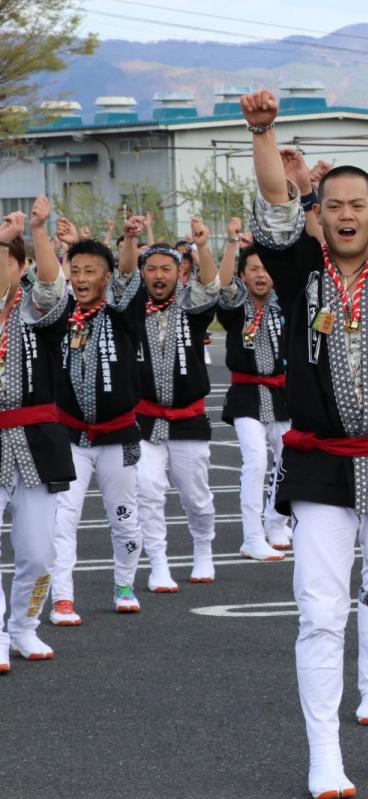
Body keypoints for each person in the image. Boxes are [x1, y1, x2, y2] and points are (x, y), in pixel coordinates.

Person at [244, 88, 368, 792]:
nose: (347, 214)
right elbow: (273, 204)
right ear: (320, 217)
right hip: (320, 468)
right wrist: (264, 134)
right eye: (334, 205)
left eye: (359, 204)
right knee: (321, 613)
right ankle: (322, 749)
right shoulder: (300, 274)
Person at [41, 200, 145, 626]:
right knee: (61, 519)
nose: (82, 279)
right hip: (69, 439)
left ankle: (124, 586)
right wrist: (52, 244)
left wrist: (132, 240)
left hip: (119, 436)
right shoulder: (59, 313)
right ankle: (62, 598)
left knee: (124, 518)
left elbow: (127, 273)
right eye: (76, 271)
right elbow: (45, 282)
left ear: (106, 278)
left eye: (91, 272)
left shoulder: (124, 314)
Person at [119, 215, 220, 593]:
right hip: (144, 417)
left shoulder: (192, 308)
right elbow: (122, 278)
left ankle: (203, 548)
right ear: (144, 273)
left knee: (196, 495)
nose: (158, 275)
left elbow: (210, 286)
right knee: (146, 489)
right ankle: (158, 562)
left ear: (180, 274)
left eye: (166, 268)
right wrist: (131, 241)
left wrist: (204, 246)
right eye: (152, 269)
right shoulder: (130, 307)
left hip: (188, 417)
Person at [0, 208, 72, 671]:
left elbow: (52, 286)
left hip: (36, 442)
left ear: (20, 267)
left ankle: (24, 627)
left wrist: (38, 233)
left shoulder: (35, 309)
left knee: (40, 551)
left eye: (4, 260)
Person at [216, 216, 292, 559]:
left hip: (283, 395)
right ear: (243, 275)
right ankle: (252, 535)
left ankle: (277, 522)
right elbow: (223, 285)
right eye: (253, 269)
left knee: (289, 458)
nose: (260, 275)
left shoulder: (286, 305)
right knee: (256, 461)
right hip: (246, 394)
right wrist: (233, 243)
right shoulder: (235, 308)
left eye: (266, 269)